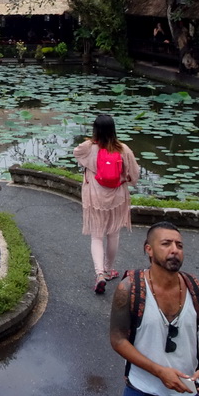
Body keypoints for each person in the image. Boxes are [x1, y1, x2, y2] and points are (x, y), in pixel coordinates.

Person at [110, 222, 199, 396]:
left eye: (179, 245)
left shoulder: (197, 291)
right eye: (166, 244)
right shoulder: (129, 289)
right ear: (149, 249)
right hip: (141, 389)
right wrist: (159, 371)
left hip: (188, 390)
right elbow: (118, 340)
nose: (174, 250)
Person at [73, 114, 140, 293]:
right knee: (113, 234)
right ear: (113, 129)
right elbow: (134, 176)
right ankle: (109, 270)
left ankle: (99, 274)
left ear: (96, 129)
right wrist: (125, 178)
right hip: (117, 197)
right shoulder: (124, 149)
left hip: (95, 196)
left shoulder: (89, 148)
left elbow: (76, 152)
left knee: (97, 236)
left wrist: (92, 141)